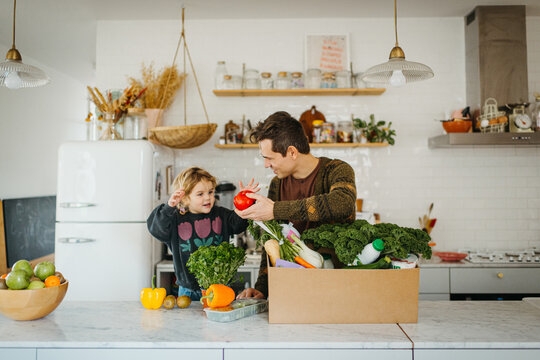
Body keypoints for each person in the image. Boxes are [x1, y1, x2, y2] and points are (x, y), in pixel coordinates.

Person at [235, 111, 357, 299]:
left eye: (270, 158)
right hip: (291, 289)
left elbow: (342, 203)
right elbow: (271, 242)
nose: (266, 165)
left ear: (292, 152)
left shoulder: (336, 170)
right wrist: (262, 287)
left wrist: (274, 210)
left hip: (335, 287)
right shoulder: (277, 184)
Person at [147, 166, 259, 301]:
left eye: (211, 192)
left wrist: (245, 202)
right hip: (188, 290)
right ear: (185, 198)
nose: (208, 198)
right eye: (200, 194)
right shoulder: (175, 218)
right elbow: (156, 228)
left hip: (220, 288)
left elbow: (238, 224)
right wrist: (169, 207)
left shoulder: (221, 214)